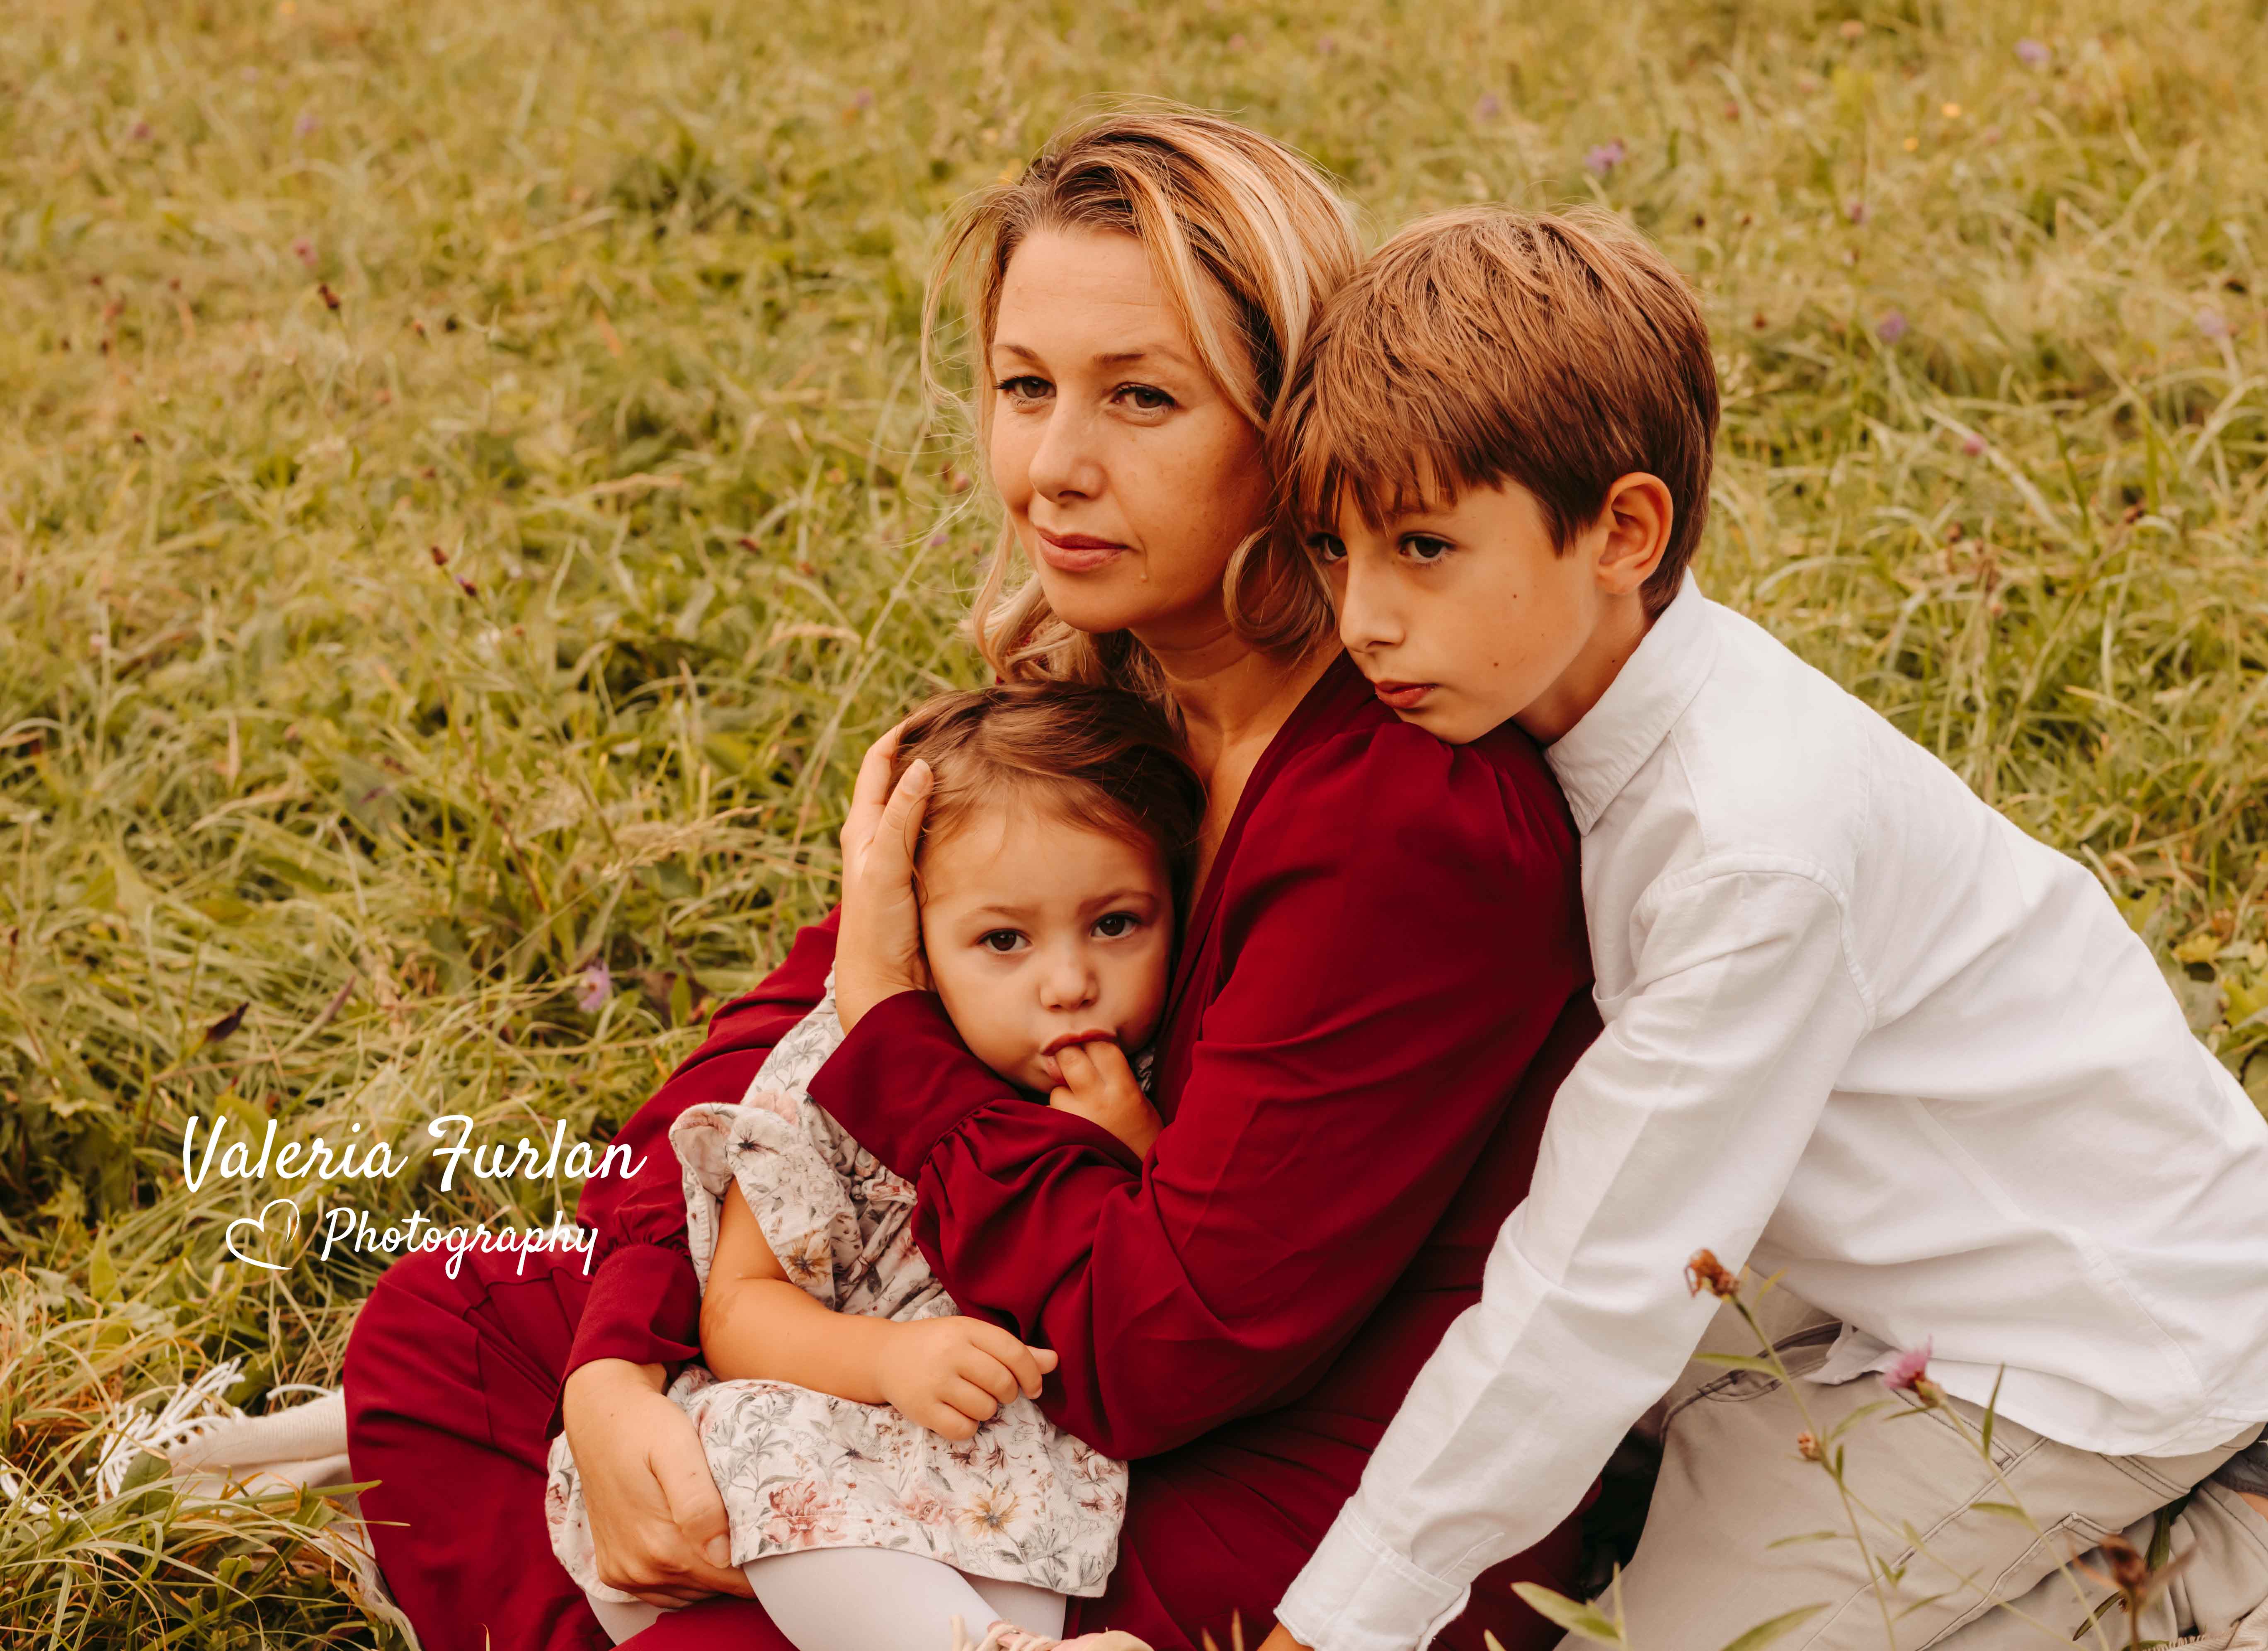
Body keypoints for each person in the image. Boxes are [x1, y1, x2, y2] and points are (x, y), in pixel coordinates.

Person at [342, 107, 1603, 1651]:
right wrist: (619, 1367)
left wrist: (893, 1042)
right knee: (455, 1315)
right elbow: (781, 1030)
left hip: (1253, 1490)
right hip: (980, 1349)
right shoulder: (1096, 699)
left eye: (1141, 397)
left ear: (1293, 428)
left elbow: (1159, 1349)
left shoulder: (1406, 813)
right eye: (1023, 387)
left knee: (713, 1609)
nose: (1053, 468)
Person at [1259, 206, 2268, 1651]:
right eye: (1333, 551)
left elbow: (1595, 1284)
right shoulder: (1564, 701)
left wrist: (1325, 1636)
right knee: (1542, 1422)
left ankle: (2266, 1532)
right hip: (1893, 1250)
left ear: (1621, 533)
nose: (1363, 619)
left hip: (2097, 1336)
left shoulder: (1747, 846)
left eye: (1420, 547)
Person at [547, 683, 1202, 1651]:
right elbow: (736, 1308)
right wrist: (890, 1361)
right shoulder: (837, 1076)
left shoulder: (1153, 1070)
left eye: (1116, 923)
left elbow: (1153, 1262)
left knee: (1004, 1519)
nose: (1069, 984)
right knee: (762, 1438)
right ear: (917, 948)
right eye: (1004, 941)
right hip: (824, 1436)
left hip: (999, 1466)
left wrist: (1135, 1147)